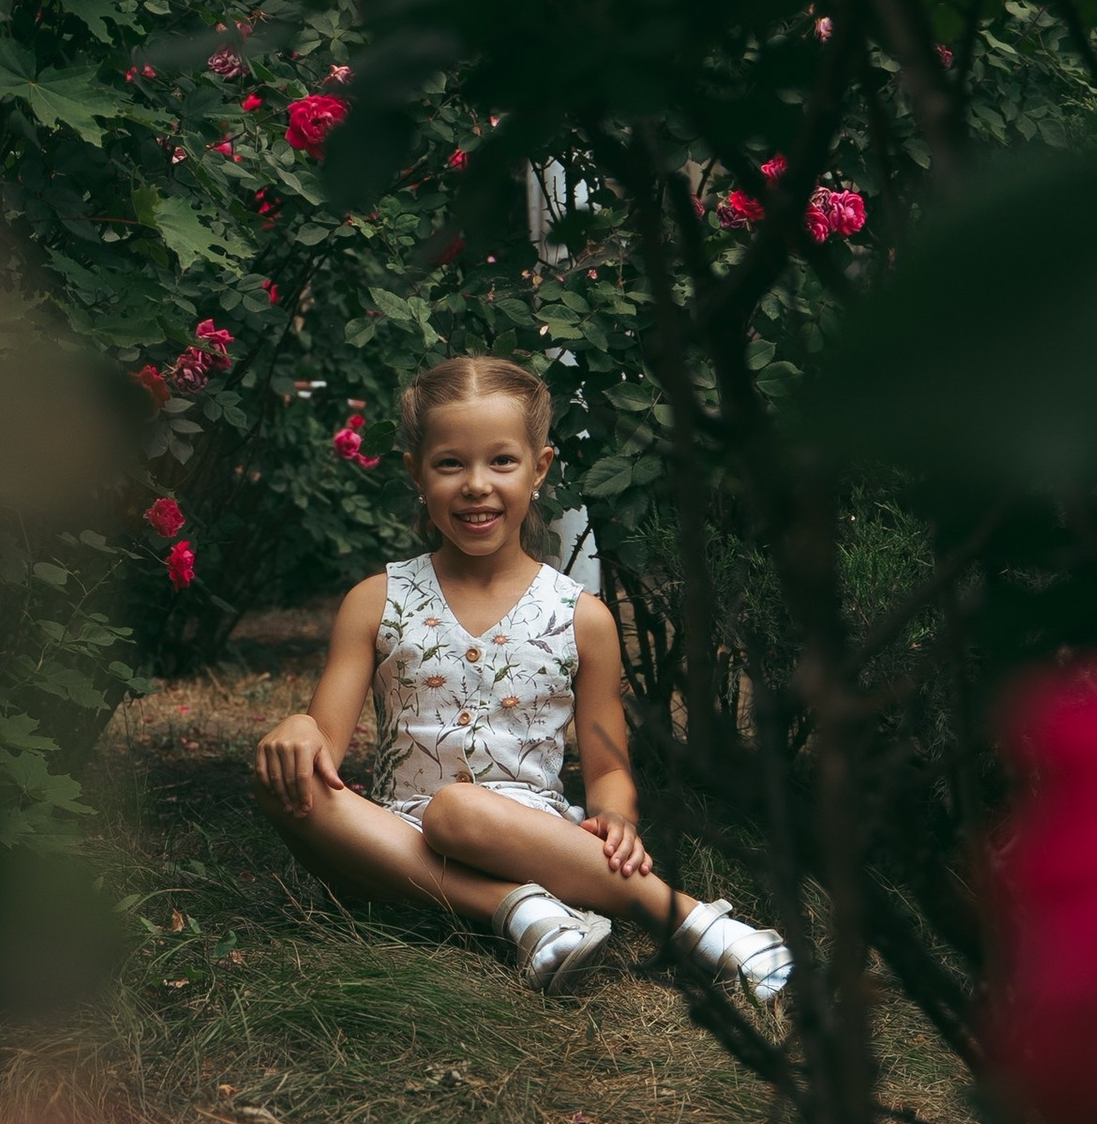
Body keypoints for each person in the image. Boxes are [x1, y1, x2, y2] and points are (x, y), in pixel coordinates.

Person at [252, 355, 793, 999]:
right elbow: (323, 750)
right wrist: (296, 729)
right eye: (450, 463)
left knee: (458, 811)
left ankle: (695, 924)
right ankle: (521, 910)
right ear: (416, 473)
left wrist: (615, 815)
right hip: (395, 841)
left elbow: (609, 764)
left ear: (539, 469)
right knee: (281, 782)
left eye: (502, 462)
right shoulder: (378, 599)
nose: (476, 485)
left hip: (523, 832)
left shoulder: (579, 617)